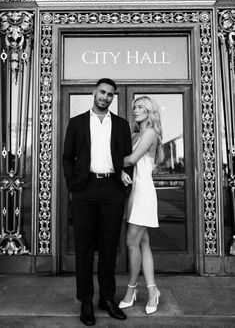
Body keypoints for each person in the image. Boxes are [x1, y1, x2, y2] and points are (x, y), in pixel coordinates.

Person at [63, 78, 133, 326]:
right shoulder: (77, 123)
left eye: (110, 94)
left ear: (113, 97)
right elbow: (67, 157)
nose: (105, 97)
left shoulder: (122, 125)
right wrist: (74, 186)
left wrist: (124, 184)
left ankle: (107, 299)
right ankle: (86, 301)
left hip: (112, 190)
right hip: (85, 189)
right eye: (102, 92)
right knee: (84, 248)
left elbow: (127, 158)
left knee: (108, 247)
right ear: (94, 92)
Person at [119, 95, 164, 315]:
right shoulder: (136, 133)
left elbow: (130, 160)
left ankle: (131, 289)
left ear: (149, 111)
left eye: (139, 107)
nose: (135, 109)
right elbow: (126, 164)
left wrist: (108, 161)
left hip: (144, 193)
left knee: (131, 243)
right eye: (133, 107)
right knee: (143, 242)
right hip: (133, 193)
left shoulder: (150, 133)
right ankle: (152, 290)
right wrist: (119, 171)